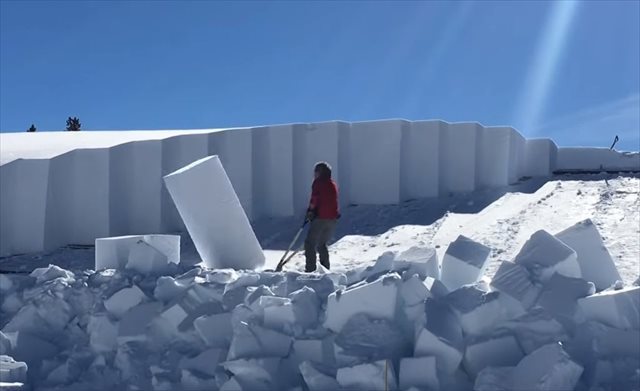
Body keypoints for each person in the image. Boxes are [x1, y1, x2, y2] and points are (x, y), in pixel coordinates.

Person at [304, 162, 339, 272]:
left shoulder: (318, 183)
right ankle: (325, 269)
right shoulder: (332, 184)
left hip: (320, 218)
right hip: (332, 219)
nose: (314, 174)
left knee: (309, 243)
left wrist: (310, 211)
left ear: (320, 172)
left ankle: (310, 269)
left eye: (316, 172)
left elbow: (315, 198)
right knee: (322, 244)